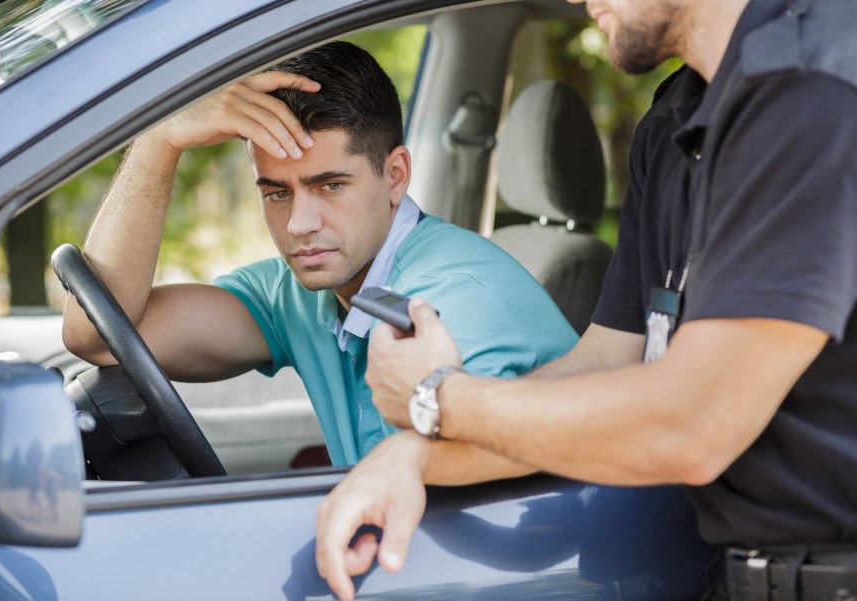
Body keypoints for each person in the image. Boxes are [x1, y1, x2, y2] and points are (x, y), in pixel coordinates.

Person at [314, 1, 857, 599]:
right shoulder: (675, 118)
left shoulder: (813, 91)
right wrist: (415, 457)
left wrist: (438, 399)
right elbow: (603, 361)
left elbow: (695, 424)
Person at [61, 41, 578, 466]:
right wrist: (159, 140)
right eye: (277, 192)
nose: (299, 225)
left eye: (330, 185)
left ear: (395, 176)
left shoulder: (457, 305)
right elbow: (99, 337)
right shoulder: (303, 290)